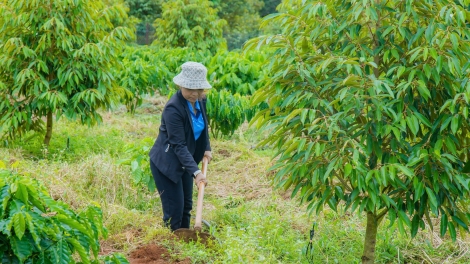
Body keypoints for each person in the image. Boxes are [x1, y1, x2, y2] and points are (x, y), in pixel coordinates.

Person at [149, 61, 213, 231]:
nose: (194, 93)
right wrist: (197, 172)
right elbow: (178, 145)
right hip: (167, 163)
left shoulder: (201, 101)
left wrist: (207, 147)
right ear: (181, 85)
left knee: (186, 208)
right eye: (189, 89)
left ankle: (185, 248)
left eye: (198, 89)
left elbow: (203, 126)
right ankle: (172, 251)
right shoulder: (173, 109)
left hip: (186, 161)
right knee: (174, 213)